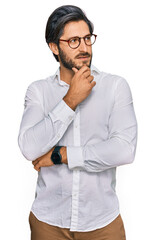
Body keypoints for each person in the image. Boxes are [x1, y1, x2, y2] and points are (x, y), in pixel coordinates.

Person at [18, 5, 137, 240]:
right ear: (54, 47)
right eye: (73, 40)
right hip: (48, 221)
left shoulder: (115, 87)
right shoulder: (39, 91)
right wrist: (70, 100)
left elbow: (125, 150)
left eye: (87, 38)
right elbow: (28, 147)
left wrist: (61, 155)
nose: (83, 47)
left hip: (103, 222)